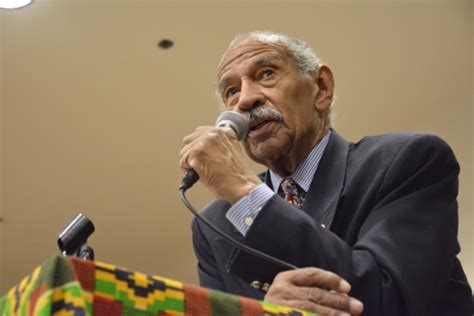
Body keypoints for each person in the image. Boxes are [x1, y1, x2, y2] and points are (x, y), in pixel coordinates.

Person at [179, 31, 472, 315]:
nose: (245, 100)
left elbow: (389, 300)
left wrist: (245, 192)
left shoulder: (407, 160)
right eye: (231, 91)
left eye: (266, 74)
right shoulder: (211, 226)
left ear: (321, 88)